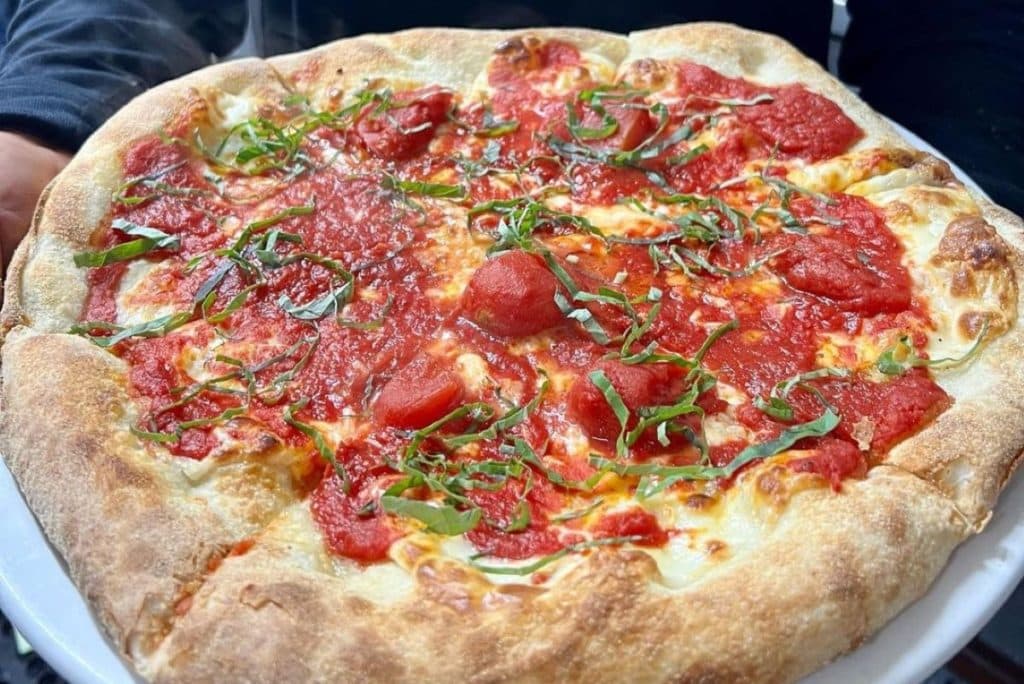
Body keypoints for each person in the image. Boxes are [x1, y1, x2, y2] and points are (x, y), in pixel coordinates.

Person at [0, 0, 1020, 271]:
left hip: (736, 163)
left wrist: (962, 201)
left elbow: (961, 18)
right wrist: (51, 116)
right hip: (331, 141)